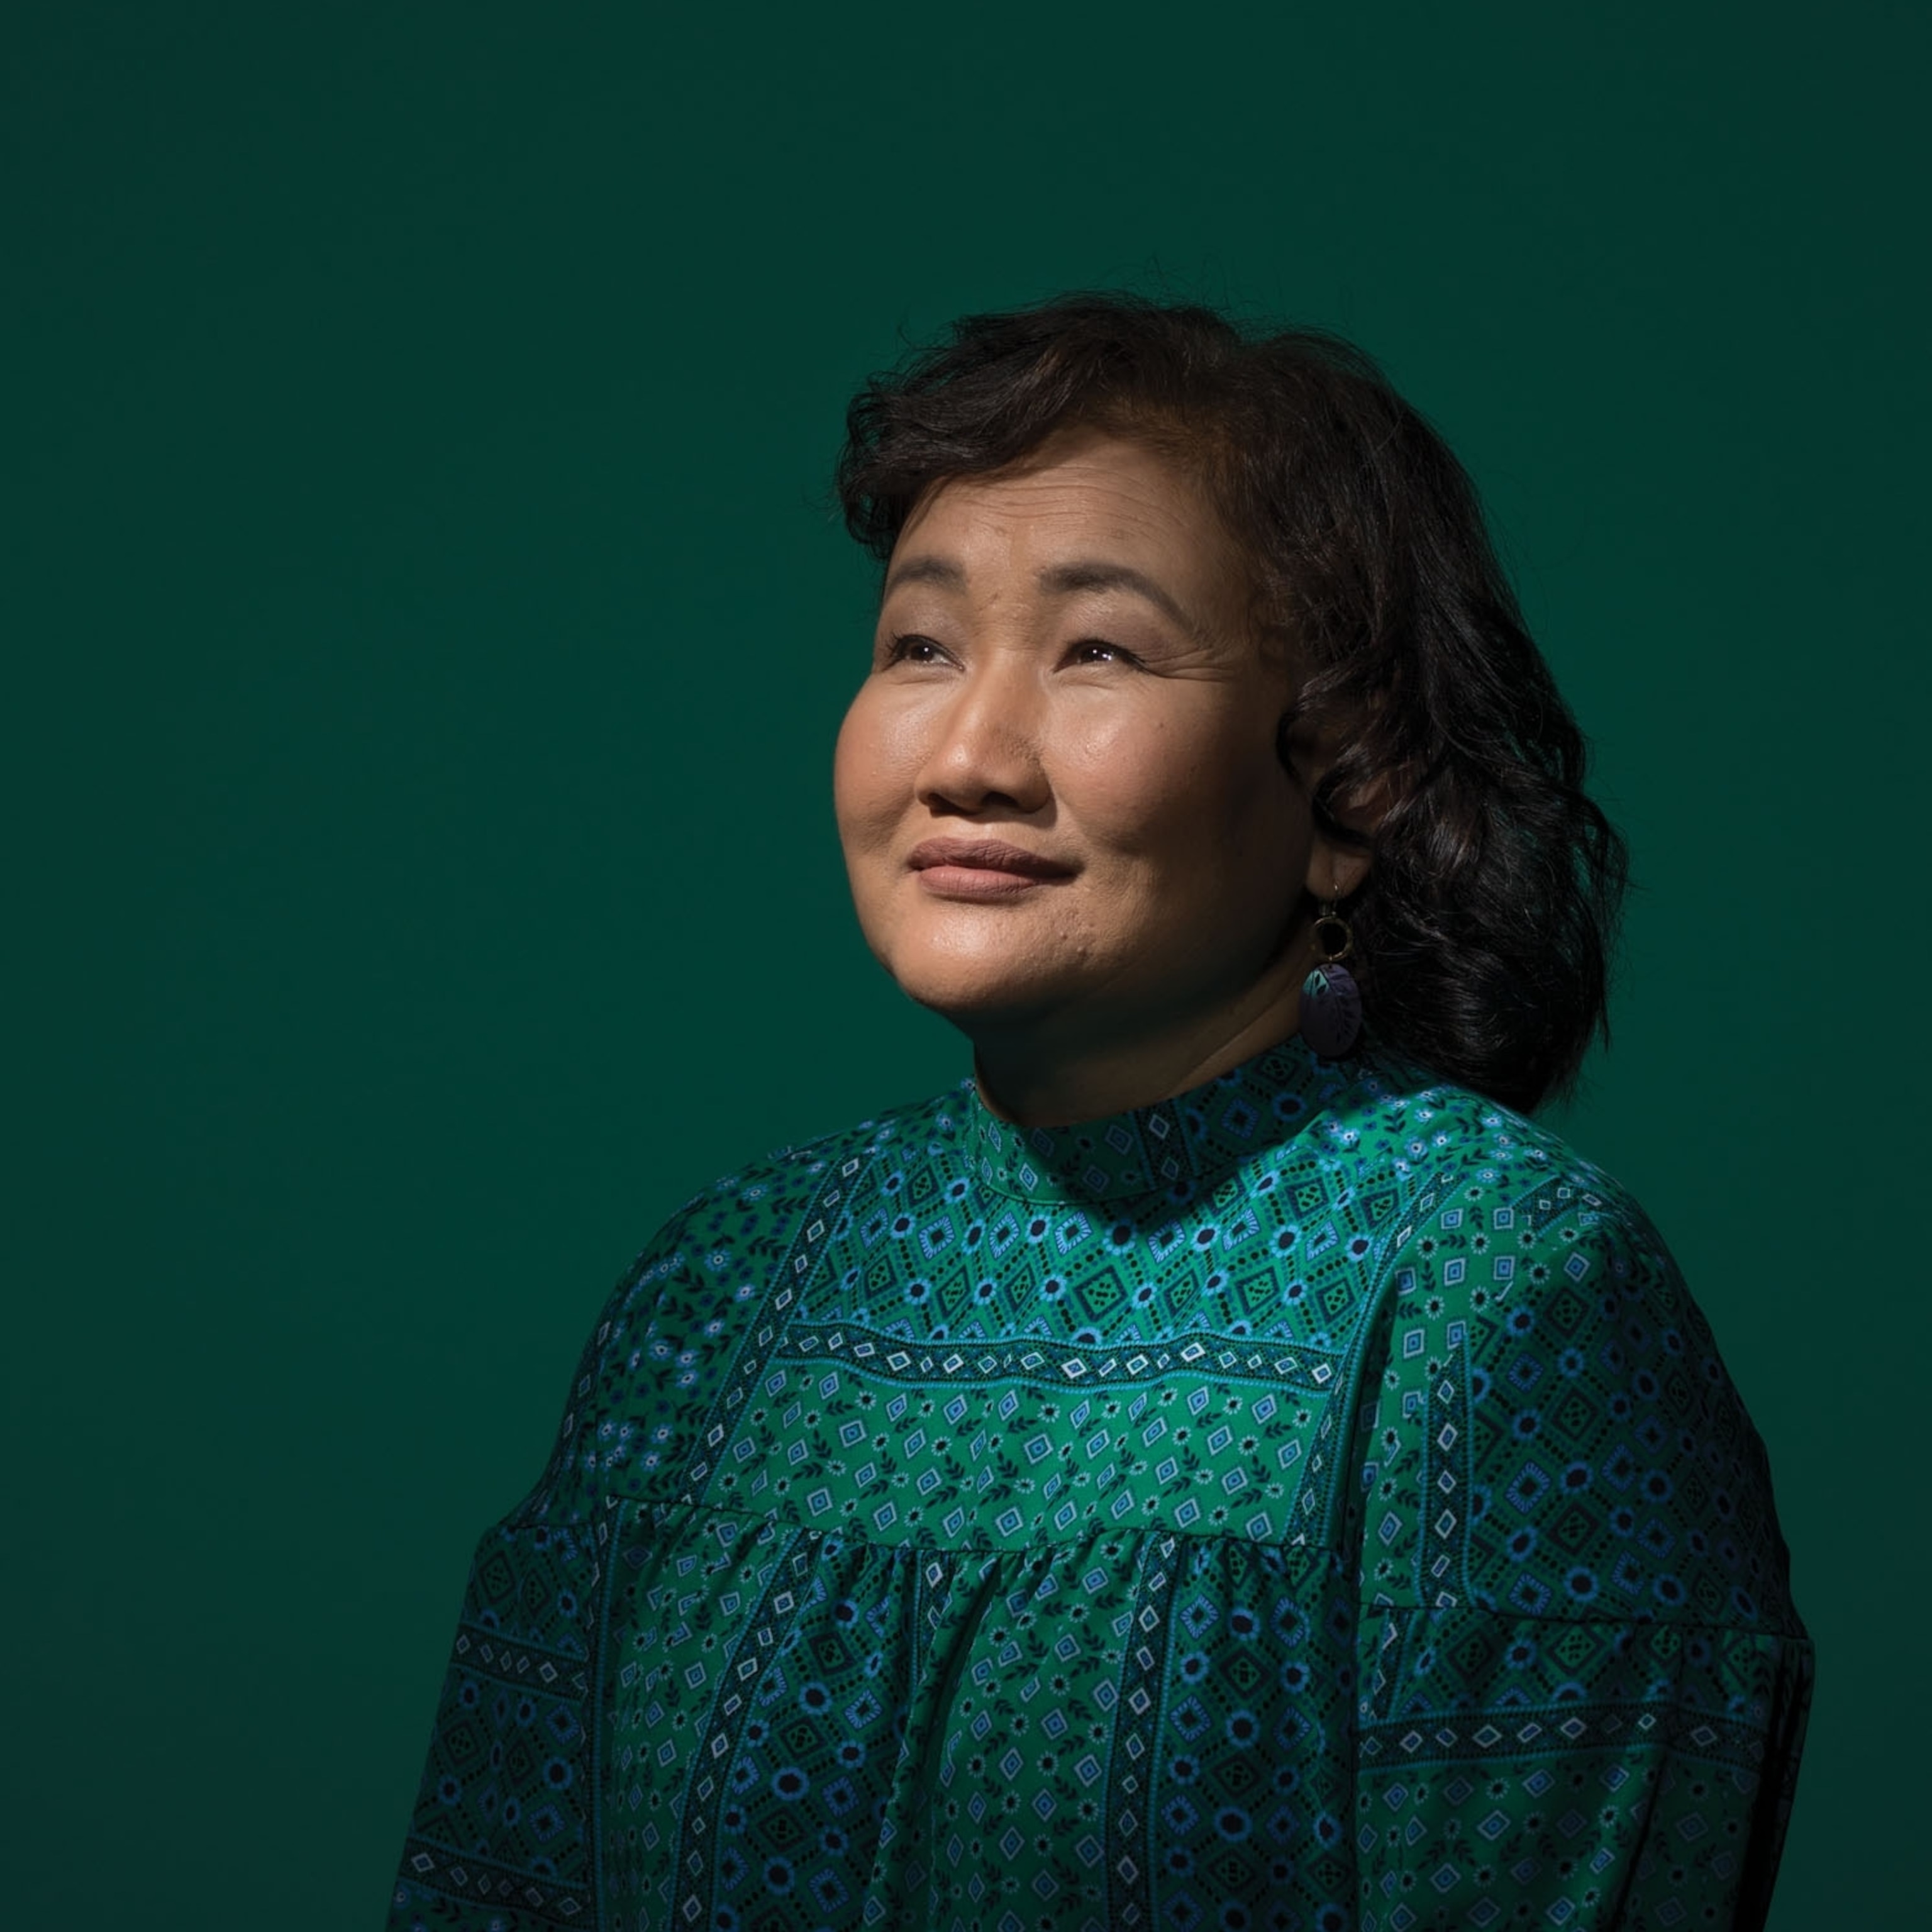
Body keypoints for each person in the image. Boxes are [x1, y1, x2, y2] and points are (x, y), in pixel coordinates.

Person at [387, 294, 1811, 1931]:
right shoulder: (713, 1292)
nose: (969, 757)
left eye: (1100, 652)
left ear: (1351, 791)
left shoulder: (1496, 1290)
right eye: (920, 646)